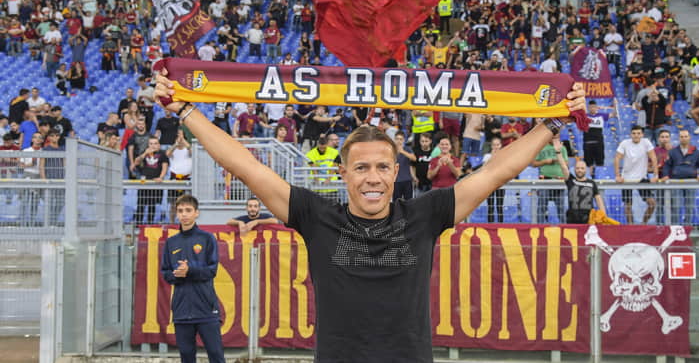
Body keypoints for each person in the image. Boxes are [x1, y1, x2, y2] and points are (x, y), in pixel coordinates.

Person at [154, 68, 585, 362]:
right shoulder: (315, 215)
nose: (372, 178)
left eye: (382, 167)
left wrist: (553, 123)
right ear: (343, 173)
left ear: (396, 172)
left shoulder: (426, 213)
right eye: (361, 168)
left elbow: (497, 170)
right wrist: (185, 110)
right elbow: (245, 165)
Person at [161, 194, 226, 363]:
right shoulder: (171, 242)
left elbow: (211, 270)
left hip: (206, 309)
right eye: (180, 211)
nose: (184, 214)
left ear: (196, 213)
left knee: (216, 355)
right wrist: (177, 274)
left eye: (188, 210)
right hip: (182, 310)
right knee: (187, 357)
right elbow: (165, 273)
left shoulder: (207, 238)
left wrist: (190, 271)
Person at [553, 139, 606, 224]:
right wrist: (558, 153)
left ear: (586, 170)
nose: (580, 170)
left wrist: (604, 216)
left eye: (582, 168)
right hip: (572, 218)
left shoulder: (592, 183)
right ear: (574, 169)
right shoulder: (571, 180)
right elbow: (563, 166)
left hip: (588, 219)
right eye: (577, 168)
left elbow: (599, 200)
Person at [614, 125, 658, 224]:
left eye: (638, 133)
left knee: (652, 203)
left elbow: (654, 158)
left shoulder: (646, 142)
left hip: (641, 178)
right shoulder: (625, 143)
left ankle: (643, 223)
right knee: (628, 205)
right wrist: (618, 175)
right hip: (626, 178)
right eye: (634, 133)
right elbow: (617, 158)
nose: (636, 135)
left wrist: (656, 175)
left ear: (642, 134)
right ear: (630, 134)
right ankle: (630, 226)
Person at [663, 129, 699, 225]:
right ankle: (675, 228)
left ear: (689, 137)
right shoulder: (673, 152)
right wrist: (665, 175)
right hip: (676, 182)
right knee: (676, 206)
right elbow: (667, 165)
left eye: (686, 136)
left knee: (689, 206)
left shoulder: (696, 152)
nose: (684, 138)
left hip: (691, 182)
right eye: (681, 136)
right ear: (679, 138)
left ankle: (687, 228)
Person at [132, 136, 169, 225]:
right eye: (151, 143)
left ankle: (149, 225)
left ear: (159, 145)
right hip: (144, 183)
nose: (153, 146)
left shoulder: (162, 154)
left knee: (152, 206)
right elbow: (136, 163)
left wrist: (161, 177)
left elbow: (165, 167)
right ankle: (138, 225)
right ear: (148, 145)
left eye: (155, 143)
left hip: (155, 184)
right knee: (140, 205)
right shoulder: (144, 152)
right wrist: (145, 153)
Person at [532, 134, 568, 223]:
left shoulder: (562, 148)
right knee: (542, 207)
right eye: (553, 137)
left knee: (561, 207)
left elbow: (567, 164)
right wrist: (545, 161)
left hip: (559, 181)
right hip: (545, 181)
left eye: (557, 137)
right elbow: (534, 164)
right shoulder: (542, 147)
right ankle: (539, 227)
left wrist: (558, 159)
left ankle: (565, 227)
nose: (555, 139)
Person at [393, 132, 416, 200]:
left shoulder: (407, 149)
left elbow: (414, 158)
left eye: (401, 139)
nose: (399, 141)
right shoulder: (392, 149)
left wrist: (402, 151)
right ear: (394, 139)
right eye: (397, 139)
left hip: (407, 180)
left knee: (409, 202)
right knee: (396, 202)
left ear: (403, 140)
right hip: (396, 181)